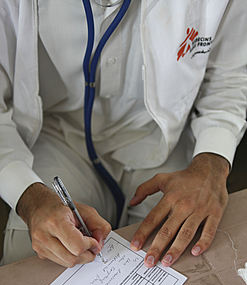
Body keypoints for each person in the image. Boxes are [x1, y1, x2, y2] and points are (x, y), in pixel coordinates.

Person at [0, 0, 246, 268]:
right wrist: (29, 199)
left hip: (164, 143)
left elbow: (229, 77)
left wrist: (211, 164)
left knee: (191, 273)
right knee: (29, 275)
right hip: (56, 140)